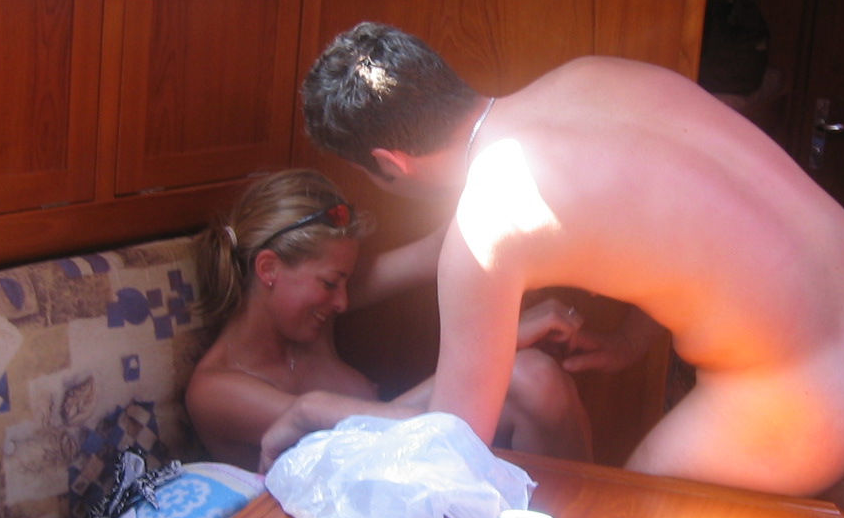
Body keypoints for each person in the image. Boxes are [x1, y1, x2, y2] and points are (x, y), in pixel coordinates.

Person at [270, 22, 844, 518]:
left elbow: (452, 443)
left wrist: (315, 410)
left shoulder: (487, 224)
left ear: (391, 163)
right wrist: (630, 341)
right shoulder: (591, 78)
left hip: (802, 401)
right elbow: (694, 215)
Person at [185, 168, 592, 470]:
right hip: (341, 508)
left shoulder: (309, 317)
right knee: (527, 375)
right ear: (269, 268)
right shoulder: (215, 391)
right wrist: (499, 344)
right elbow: (355, 443)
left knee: (536, 378)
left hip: (404, 468)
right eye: (331, 283)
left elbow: (439, 248)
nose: (343, 301)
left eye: (346, 282)